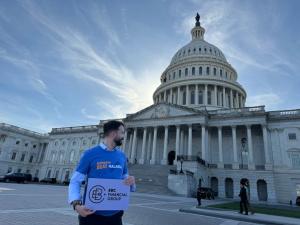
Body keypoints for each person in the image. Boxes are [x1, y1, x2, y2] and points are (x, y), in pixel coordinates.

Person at [68, 120, 136, 225]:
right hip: (91, 215)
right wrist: (77, 205)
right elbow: (75, 181)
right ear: (113, 133)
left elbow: (125, 178)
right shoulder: (90, 154)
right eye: (122, 132)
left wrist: (131, 182)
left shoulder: (122, 156)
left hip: (116, 216)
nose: (124, 136)